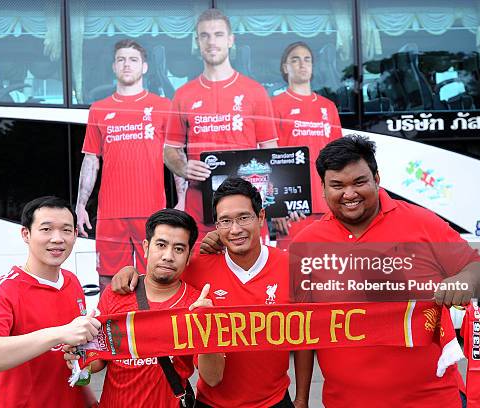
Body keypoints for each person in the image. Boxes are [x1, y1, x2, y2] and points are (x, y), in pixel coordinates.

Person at [292, 135, 480, 408]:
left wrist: (464, 280)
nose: (349, 194)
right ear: (323, 187)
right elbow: (304, 329)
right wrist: (301, 400)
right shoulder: (306, 243)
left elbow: (479, 267)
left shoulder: (422, 223)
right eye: (337, 185)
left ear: (377, 178)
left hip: (431, 399)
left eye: (359, 182)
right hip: (345, 402)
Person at [113, 178, 309, 408]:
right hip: (211, 403)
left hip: (275, 401)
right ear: (216, 226)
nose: (235, 229)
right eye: (225, 221)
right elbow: (161, 277)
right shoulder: (197, 267)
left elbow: (306, 337)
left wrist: (302, 398)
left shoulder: (293, 268)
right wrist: (130, 271)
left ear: (261, 217)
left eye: (243, 218)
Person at [65, 208, 224, 407]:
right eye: (161, 245)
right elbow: (100, 361)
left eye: (179, 249)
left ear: (189, 255)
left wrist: (208, 329)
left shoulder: (196, 304)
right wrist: (79, 357)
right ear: (146, 247)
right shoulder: (117, 293)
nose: (168, 256)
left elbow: (213, 378)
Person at [0, 196, 101, 408]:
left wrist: (89, 399)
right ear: (26, 234)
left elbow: (71, 358)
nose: (57, 238)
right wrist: (59, 333)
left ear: (75, 234)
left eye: (66, 230)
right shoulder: (5, 289)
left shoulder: (72, 282)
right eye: (46, 229)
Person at [76, 39, 182, 291]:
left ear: (144, 67)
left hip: (152, 211)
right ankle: (112, 330)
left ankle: (153, 330)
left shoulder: (163, 107)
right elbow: (91, 159)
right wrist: (80, 205)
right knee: (109, 280)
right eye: (121, 59)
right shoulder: (99, 110)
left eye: (133, 60)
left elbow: (176, 154)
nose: (127, 64)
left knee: (159, 276)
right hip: (111, 212)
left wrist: (182, 200)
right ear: (114, 66)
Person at [163, 9, 278, 234]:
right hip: (200, 208)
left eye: (218, 34)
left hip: (247, 205)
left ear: (230, 40)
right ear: (197, 42)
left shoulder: (255, 91)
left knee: (248, 269)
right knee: (202, 269)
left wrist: (272, 200)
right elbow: (170, 151)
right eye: (204, 35)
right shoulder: (183, 94)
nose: (211, 41)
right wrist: (184, 167)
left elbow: (270, 151)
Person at [271, 41, 343, 245]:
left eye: (307, 59)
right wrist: (277, 207)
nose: (302, 64)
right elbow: (270, 160)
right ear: (285, 67)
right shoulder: (274, 106)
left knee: (330, 266)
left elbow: (339, 160)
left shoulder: (328, 107)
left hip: (328, 202)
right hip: (294, 207)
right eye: (295, 59)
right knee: (295, 267)